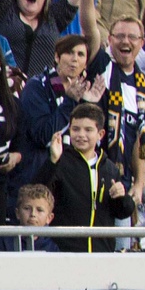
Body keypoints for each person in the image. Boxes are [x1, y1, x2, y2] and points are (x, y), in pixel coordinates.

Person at [45, 102, 133, 252]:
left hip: (102, 253)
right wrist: (52, 162)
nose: (81, 135)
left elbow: (123, 212)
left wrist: (122, 197)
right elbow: (39, 191)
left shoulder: (110, 168)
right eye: (75, 129)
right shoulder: (60, 162)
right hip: (66, 252)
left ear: (100, 134)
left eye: (88, 130)